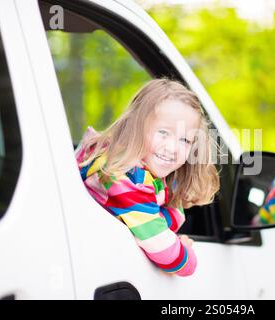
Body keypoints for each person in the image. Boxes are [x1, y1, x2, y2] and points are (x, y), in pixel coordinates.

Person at [75, 78, 220, 277]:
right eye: (163, 132)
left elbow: (155, 217)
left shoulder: (115, 159)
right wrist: (185, 252)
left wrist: (162, 221)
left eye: (185, 139)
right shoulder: (124, 178)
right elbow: (167, 254)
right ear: (135, 126)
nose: (172, 148)